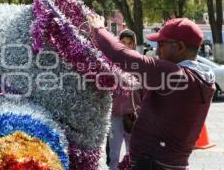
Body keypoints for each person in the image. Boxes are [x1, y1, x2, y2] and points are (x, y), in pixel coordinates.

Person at [87, 15, 216, 170]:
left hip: (154, 165)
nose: (157, 50)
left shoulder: (175, 75)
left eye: (161, 44)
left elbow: (121, 56)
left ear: (180, 47)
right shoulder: (200, 79)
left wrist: (98, 28)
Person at [108, 29, 138, 170]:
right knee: (114, 153)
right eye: (123, 42)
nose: (126, 45)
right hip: (115, 114)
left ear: (134, 44)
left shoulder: (140, 61)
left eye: (129, 43)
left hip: (133, 115)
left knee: (132, 152)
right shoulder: (112, 62)